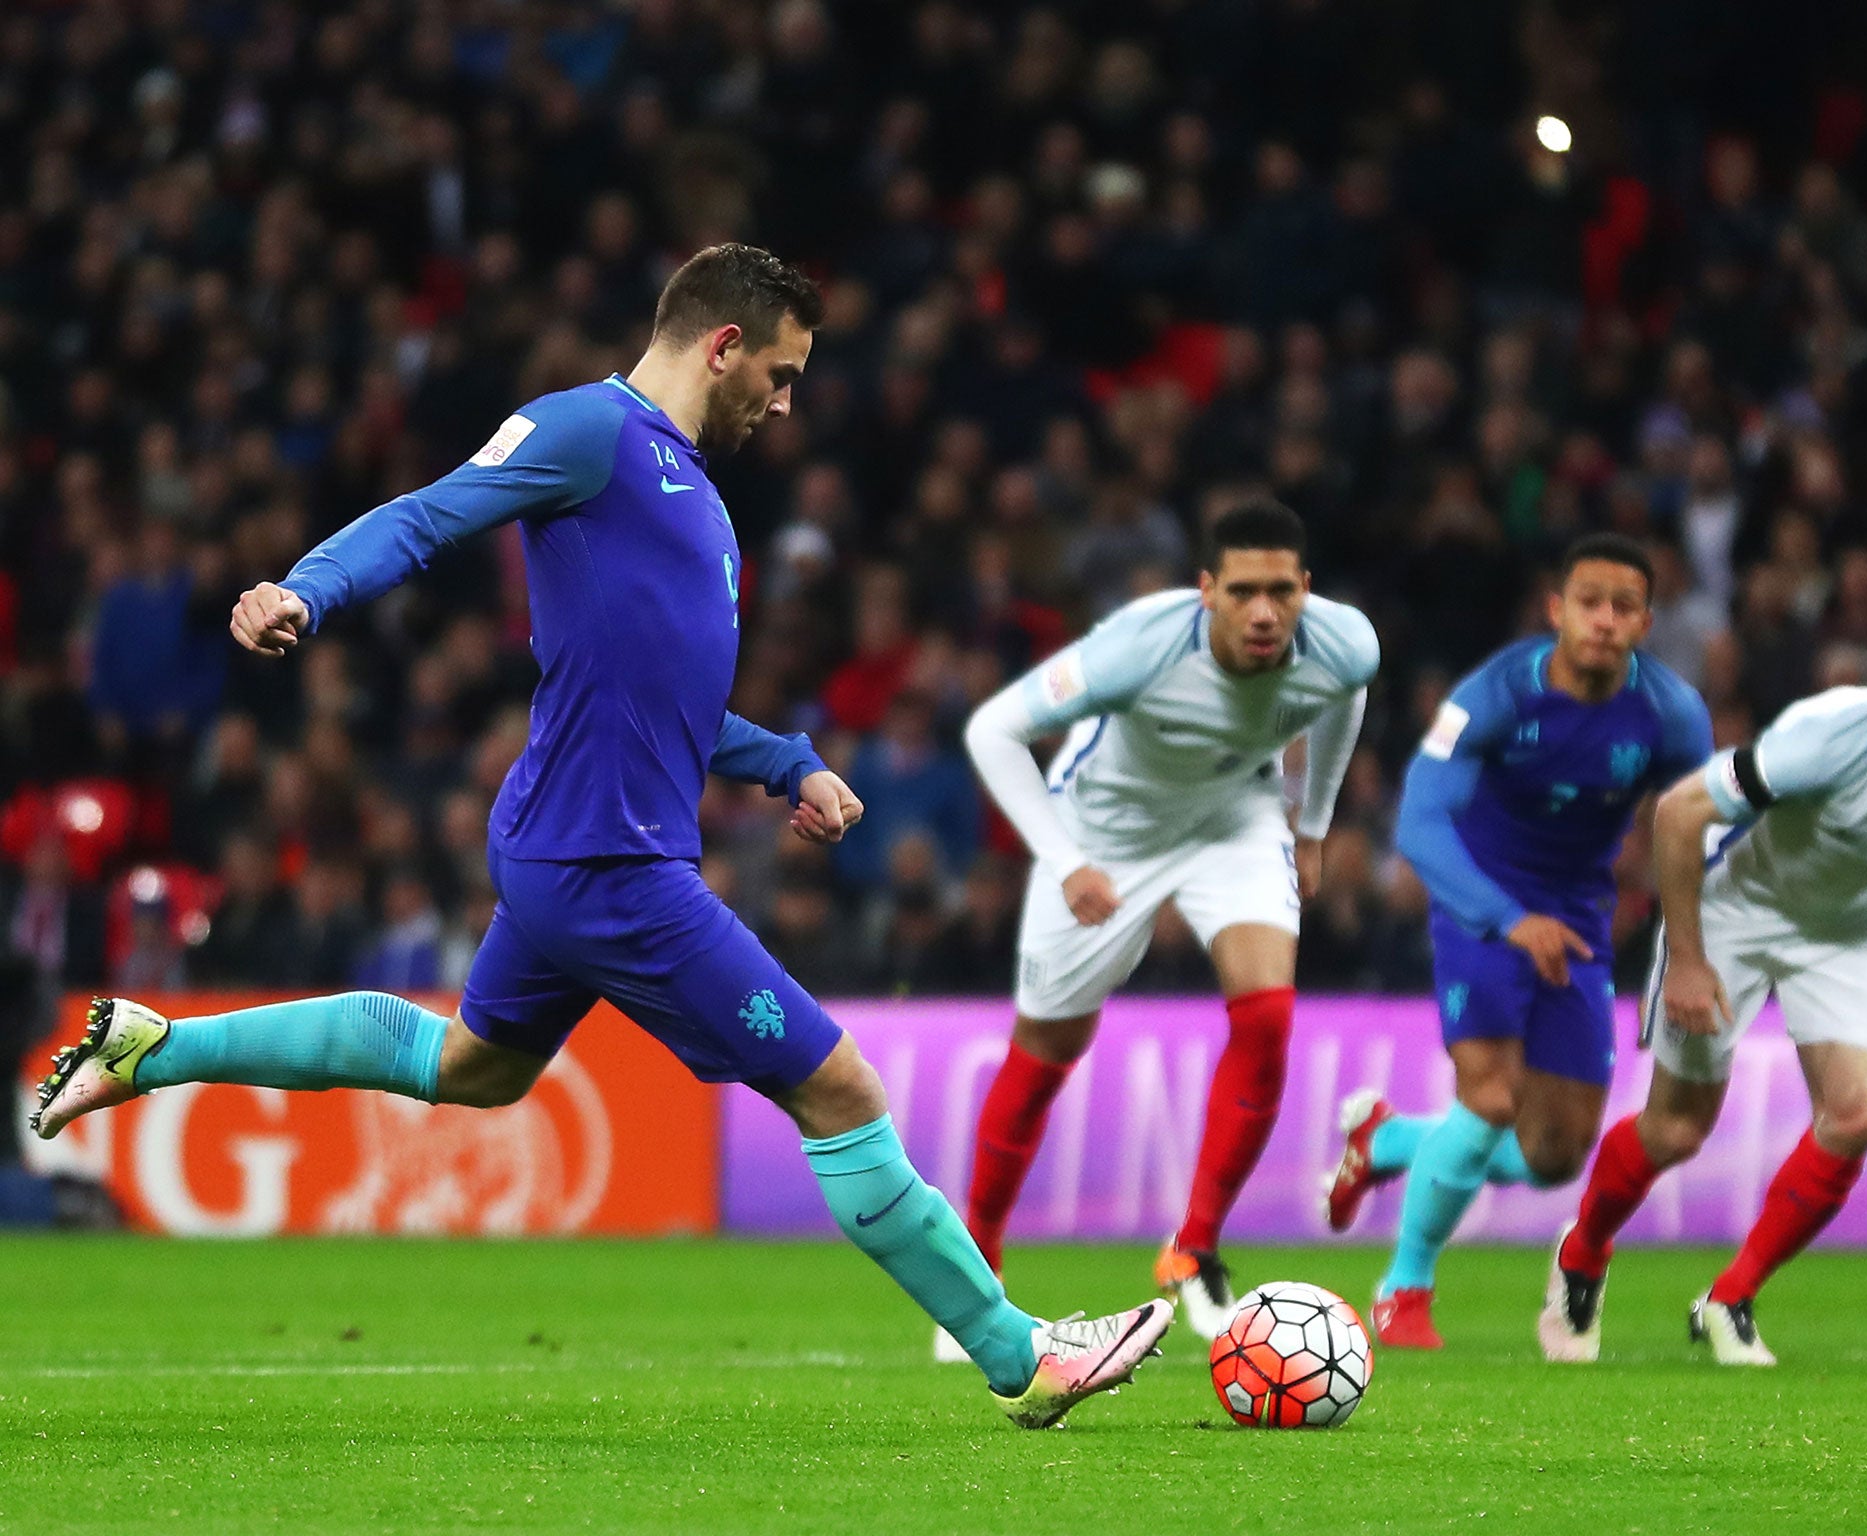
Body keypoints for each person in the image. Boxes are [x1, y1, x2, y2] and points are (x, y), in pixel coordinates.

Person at [31, 243, 1169, 1429]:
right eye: (777, 375)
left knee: (472, 1064)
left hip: (571, 851)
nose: (783, 404)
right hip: (607, 865)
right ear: (721, 344)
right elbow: (427, 516)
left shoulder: (697, 500)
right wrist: (306, 589)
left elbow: (666, 698)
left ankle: (154, 1049)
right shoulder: (589, 433)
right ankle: (1015, 1354)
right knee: (837, 1088)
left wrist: (788, 763)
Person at [1546, 616, 1867, 1365]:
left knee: (1857, 1115)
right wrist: (1686, 961)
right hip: (1732, 907)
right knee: (1676, 1131)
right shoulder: (1831, 736)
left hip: (1845, 925)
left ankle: (1731, 1297)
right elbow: (1679, 813)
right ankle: (1583, 1252)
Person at [957, 500, 1379, 1343]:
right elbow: (992, 729)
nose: (1264, 613)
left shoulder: (1346, 644)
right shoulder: (1139, 645)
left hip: (1234, 816)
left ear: (1306, 591)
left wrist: (1313, 824)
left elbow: (1343, 700)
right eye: (1244, 591)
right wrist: (1062, 859)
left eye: (1281, 592)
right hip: (1104, 832)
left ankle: (1195, 1246)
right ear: (1207, 593)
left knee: (1268, 1019)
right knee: (1046, 1056)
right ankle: (976, 1265)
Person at [1322, 534, 1713, 1350]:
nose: (1604, 621)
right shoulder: (1493, 696)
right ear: (1556, 610)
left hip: (1578, 920)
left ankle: (1390, 1139)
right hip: (1481, 902)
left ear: (1646, 621)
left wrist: (1684, 930)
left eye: (1623, 607)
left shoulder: (1672, 715)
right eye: (1589, 603)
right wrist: (1505, 918)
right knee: (1491, 1097)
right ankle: (1405, 1287)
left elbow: (1693, 827)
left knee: (1554, 1156)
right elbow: (1421, 826)